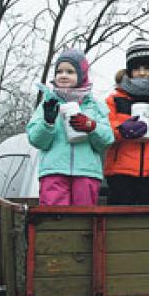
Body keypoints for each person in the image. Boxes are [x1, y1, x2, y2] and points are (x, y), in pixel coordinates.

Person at [27, 49, 113, 206]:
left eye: (70, 71)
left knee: (83, 222)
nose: (63, 75)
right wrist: (48, 123)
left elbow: (107, 140)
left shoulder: (95, 106)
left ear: (82, 75)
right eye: (59, 71)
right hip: (53, 171)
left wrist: (91, 126)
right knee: (55, 221)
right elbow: (36, 140)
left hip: (87, 173)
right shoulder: (48, 104)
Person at [104, 39, 149, 205]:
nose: (142, 73)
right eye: (136, 68)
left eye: (147, 68)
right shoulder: (115, 99)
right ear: (129, 71)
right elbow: (104, 131)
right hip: (120, 172)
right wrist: (121, 130)